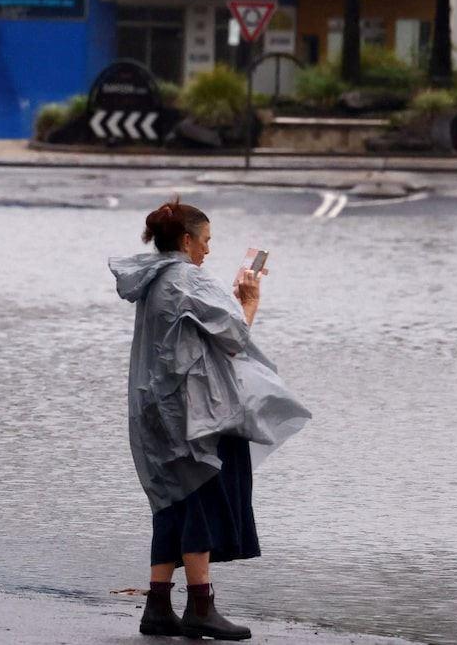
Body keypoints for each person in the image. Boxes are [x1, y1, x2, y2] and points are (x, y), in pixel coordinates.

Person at [109, 200, 311, 640]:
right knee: (201, 496)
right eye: (206, 240)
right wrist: (249, 300)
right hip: (195, 411)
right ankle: (202, 605)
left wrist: (232, 304)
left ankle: (158, 605)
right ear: (186, 240)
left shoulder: (153, 279)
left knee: (171, 502)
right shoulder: (188, 279)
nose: (208, 249)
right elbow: (235, 338)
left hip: (154, 408)